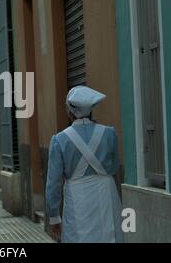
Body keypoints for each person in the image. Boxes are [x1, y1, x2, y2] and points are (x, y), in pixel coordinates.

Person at [46, 86, 123, 243]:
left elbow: (53, 183)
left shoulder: (59, 140)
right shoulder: (109, 133)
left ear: (69, 111)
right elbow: (114, 167)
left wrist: (54, 217)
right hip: (105, 193)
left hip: (77, 196)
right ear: (91, 109)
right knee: (110, 236)